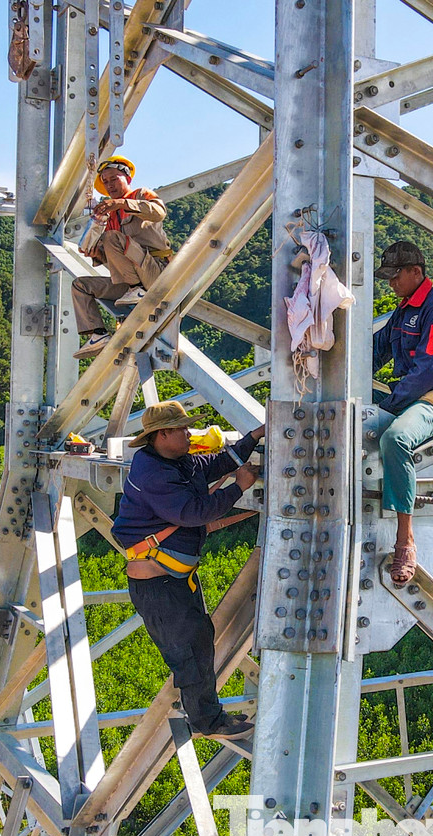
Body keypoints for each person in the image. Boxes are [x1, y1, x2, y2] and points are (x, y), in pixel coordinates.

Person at [112, 401, 265, 739]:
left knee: (197, 641)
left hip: (171, 581)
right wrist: (238, 486)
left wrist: (254, 436)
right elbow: (193, 512)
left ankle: (203, 712)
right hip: (159, 587)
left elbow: (218, 463)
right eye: (182, 429)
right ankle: (207, 722)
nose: (189, 434)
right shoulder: (154, 474)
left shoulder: (175, 461)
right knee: (189, 652)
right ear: (162, 434)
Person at [370, 241, 433, 585]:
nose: (391, 283)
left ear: (416, 272)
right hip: (409, 395)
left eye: (396, 275)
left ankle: (404, 539)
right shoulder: (403, 311)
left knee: (395, 438)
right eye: (388, 277)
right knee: (350, 415)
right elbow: (374, 352)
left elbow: (429, 371)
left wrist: (389, 405)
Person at [73, 155, 173, 359]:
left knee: (111, 237)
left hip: (156, 272)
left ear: (127, 178)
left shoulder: (141, 195)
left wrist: (122, 204)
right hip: (130, 283)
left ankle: (137, 289)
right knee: (80, 286)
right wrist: (98, 254)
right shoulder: (110, 217)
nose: (109, 184)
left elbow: (159, 212)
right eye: (105, 181)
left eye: (114, 178)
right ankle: (97, 334)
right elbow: (117, 259)